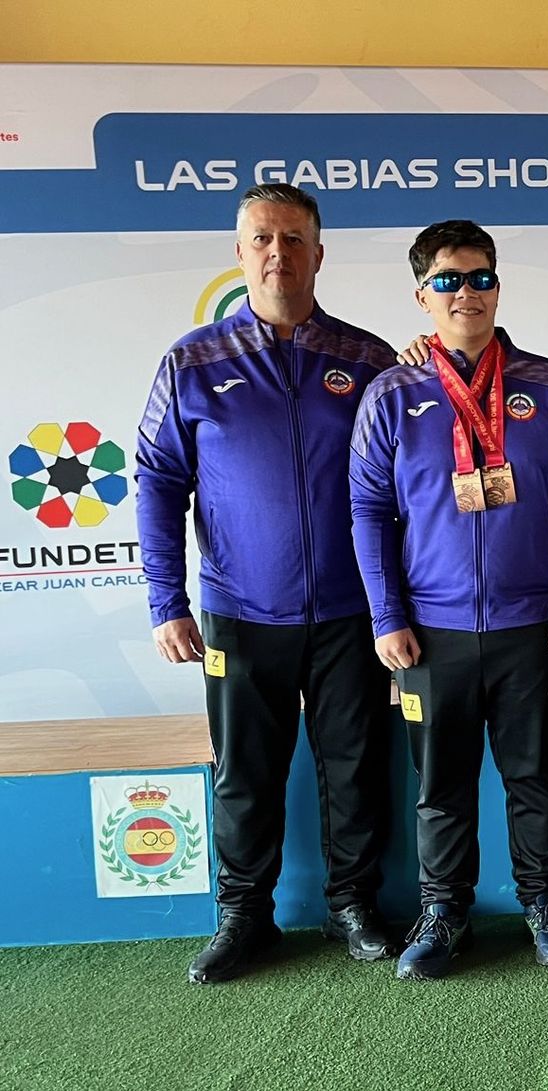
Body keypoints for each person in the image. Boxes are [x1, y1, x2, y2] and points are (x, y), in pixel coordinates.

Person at [135, 183, 398, 983]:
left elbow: (403, 484)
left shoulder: (368, 358)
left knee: (356, 763)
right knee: (245, 769)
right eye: (261, 239)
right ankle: (245, 913)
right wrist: (165, 601)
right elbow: (154, 478)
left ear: (319, 253)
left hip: (354, 611)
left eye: (293, 238)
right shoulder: (193, 360)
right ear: (240, 252)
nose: (278, 253)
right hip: (242, 611)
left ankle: (353, 904)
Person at [349, 220, 548, 980]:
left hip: (534, 624)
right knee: (442, 785)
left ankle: (543, 902)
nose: (467, 292)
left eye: (481, 277)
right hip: (432, 630)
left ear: (499, 285)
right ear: (421, 292)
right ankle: (443, 911)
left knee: (533, 775)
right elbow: (366, 508)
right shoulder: (392, 393)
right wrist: (386, 615)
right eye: (449, 279)